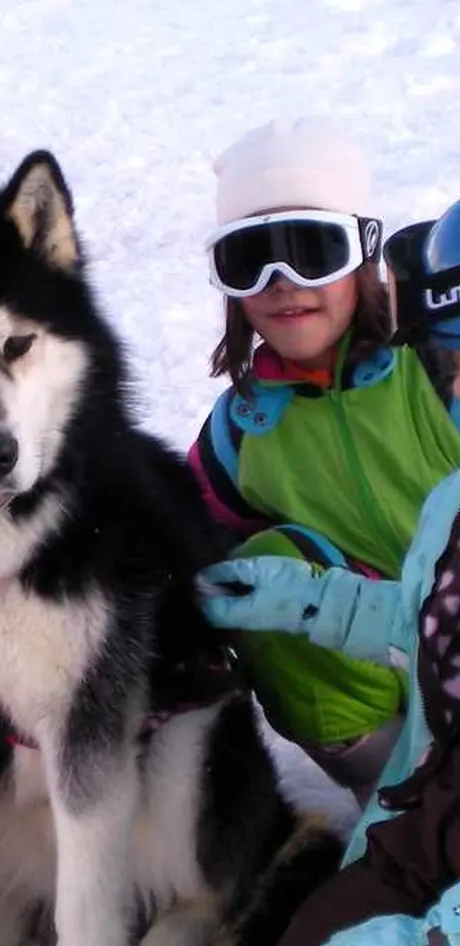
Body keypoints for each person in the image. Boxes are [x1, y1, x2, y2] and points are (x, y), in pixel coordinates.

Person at [202, 199, 460, 946]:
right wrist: (305, 599)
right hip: (430, 774)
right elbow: (430, 613)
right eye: (456, 364)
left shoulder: (415, 390)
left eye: (311, 251)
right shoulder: (453, 504)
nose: (284, 284)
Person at [189, 116, 460, 803]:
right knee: (256, 571)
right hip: (389, 692)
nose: (284, 283)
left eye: (313, 249)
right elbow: (173, 530)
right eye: (251, 259)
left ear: (364, 252)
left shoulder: (436, 370)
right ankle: (406, 804)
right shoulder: (244, 429)